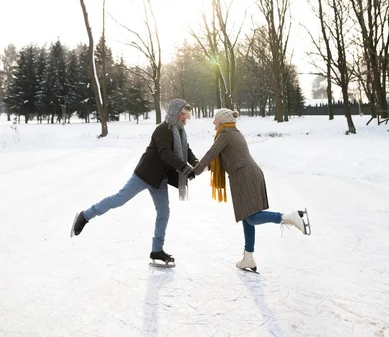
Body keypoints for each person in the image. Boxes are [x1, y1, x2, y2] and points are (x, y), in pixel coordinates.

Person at [70, 99, 198, 266]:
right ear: (175, 113)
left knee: (164, 213)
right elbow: (165, 152)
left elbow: (186, 149)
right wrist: (183, 167)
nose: (185, 119)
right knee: (119, 199)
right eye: (183, 115)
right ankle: (85, 215)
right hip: (145, 174)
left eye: (187, 116)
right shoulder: (162, 129)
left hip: (160, 179)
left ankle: (157, 250)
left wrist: (194, 162)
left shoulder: (180, 132)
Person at [189, 108, 311, 272]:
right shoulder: (231, 132)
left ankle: (289, 217)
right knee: (246, 219)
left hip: (244, 176)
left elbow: (211, 154)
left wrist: (194, 171)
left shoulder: (226, 134)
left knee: (251, 217)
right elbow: (218, 159)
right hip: (246, 174)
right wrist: (198, 169)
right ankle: (248, 257)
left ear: (222, 121)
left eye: (215, 119)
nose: (213, 122)